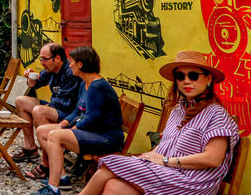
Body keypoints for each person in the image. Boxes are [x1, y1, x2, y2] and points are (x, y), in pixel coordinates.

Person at [77, 50, 239, 195]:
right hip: (168, 173)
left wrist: (166, 161)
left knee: (111, 164)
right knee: (114, 187)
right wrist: (150, 156)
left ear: (208, 78)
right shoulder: (178, 110)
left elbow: (213, 159)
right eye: (180, 76)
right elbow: (165, 147)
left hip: (193, 182)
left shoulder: (216, 114)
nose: (186, 81)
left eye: (193, 76)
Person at [32, 46, 123, 195]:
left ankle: (53, 188)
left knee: (55, 135)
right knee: (43, 131)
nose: (69, 65)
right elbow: (77, 111)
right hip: (93, 132)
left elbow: (92, 119)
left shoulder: (97, 87)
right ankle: (62, 178)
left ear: (80, 64)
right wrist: (63, 124)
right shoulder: (84, 83)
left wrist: (71, 130)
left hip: (107, 137)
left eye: (71, 62)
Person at [12, 43, 81, 173]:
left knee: (40, 111)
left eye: (45, 59)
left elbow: (63, 103)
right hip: (57, 107)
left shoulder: (70, 72)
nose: (42, 62)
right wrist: (31, 78)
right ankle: (30, 148)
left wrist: (43, 108)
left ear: (57, 59)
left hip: (70, 114)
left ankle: (47, 163)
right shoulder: (51, 69)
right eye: (41, 59)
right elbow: (36, 84)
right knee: (21, 101)